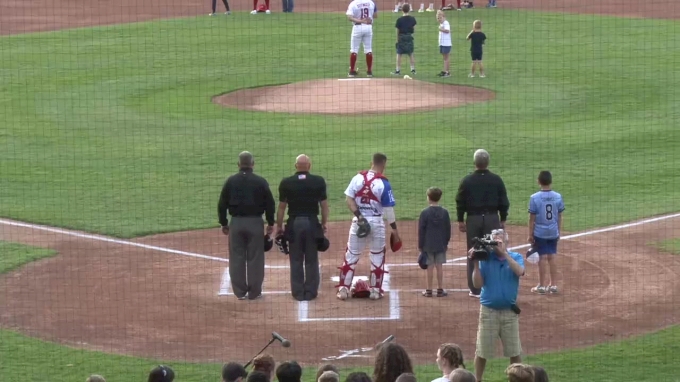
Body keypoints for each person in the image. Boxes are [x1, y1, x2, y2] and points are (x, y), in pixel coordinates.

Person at [337, 153, 400, 301]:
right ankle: (375, 292)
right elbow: (388, 210)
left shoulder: (357, 178)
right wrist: (395, 230)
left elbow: (349, 199)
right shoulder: (384, 183)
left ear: (371, 162)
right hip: (376, 223)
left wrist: (359, 217)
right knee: (377, 257)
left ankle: (343, 290)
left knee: (351, 256)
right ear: (383, 165)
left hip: (358, 222)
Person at [218, 151, 276, 300]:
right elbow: (270, 203)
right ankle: (254, 292)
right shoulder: (260, 181)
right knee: (255, 258)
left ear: (238, 165)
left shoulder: (230, 181)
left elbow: (222, 204)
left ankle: (240, 292)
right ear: (253, 164)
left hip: (236, 223)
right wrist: (270, 222)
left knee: (236, 257)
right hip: (255, 223)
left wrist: (224, 223)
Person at [469, 229, 525, 382]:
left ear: (507, 242)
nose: (496, 245)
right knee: (482, 351)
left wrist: (505, 254)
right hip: (489, 312)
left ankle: (518, 380)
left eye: (499, 241)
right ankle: (477, 380)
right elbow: (477, 284)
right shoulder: (485, 259)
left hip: (510, 313)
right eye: (494, 241)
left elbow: (520, 272)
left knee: (514, 351)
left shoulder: (516, 257)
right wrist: (475, 264)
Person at [455, 148, 509, 298]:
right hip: (492, 218)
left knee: (473, 251)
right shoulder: (496, 179)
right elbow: (504, 201)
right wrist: (503, 218)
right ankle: (492, 286)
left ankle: (475, 289)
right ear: (488, 162)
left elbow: (460, 201)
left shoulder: (467, 180)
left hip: (473, 219)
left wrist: (460, 219)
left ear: (475, 162)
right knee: (494, 250)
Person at [276, 154, 329, 301]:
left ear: (295, 167)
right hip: (312, 223)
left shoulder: (286, 183)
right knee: (312, 259)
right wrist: (323, 224)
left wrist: (279, 227)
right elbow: (324, 206)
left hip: (294, 224)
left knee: (296, 259)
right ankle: (311, 292)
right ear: (309, 166)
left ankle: (298, 292)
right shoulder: (318, 181)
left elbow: (281, 208)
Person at [528, 171, 564, 294]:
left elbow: (531, 219)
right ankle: (553, 285)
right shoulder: (558, 196)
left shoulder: (534, 198)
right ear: (551, 181)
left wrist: (530, 234)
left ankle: (542, 286)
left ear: (538, 181)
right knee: (552, 256)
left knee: (542, 258)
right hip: (553, 231)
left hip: (540, 232)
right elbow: (559, 216)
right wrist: (558, 231)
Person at [418, 187, 452, 297]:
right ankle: (440, 289)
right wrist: (446, 243)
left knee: (430, 266)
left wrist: (420, 245)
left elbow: (421, 230)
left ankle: (428, 290)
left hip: (428, 244)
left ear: (428, 198)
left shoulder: (424, 213)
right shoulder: (445, 212)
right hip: (441, 244)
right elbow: (448, 229)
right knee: (439, 266)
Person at [346, 0, 377, 77]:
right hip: (368, 27)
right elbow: (375, 15)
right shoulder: (371, 2)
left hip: (357, 27)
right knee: (368, 49)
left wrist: (360, 20)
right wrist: (368, 18)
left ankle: (352, 71)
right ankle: (369, 72)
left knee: (354, 49)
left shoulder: (353, 3)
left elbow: (349, 17)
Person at [391, 3, 417, 76]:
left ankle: (398, 70)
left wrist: (397, 40)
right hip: (409, 36)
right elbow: (414, 29)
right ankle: (413, 70)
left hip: (401, 37)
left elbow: (397, 31)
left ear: (402, 10)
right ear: (409, 9)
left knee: (399, 54)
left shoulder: (399, 20)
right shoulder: (412, 19)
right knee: (411, 53)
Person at [436, 10, 452, 77]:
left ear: (443, 17)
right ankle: (445, 70)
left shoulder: (446, 23)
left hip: (446, 43)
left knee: (446, 58)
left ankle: (447, 72)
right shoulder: (441, 24)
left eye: (440, 18)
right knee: (444, 58)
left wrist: (441, 29)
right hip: (442, 43)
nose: (439, 19)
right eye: (438, 18)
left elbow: (448, 31)